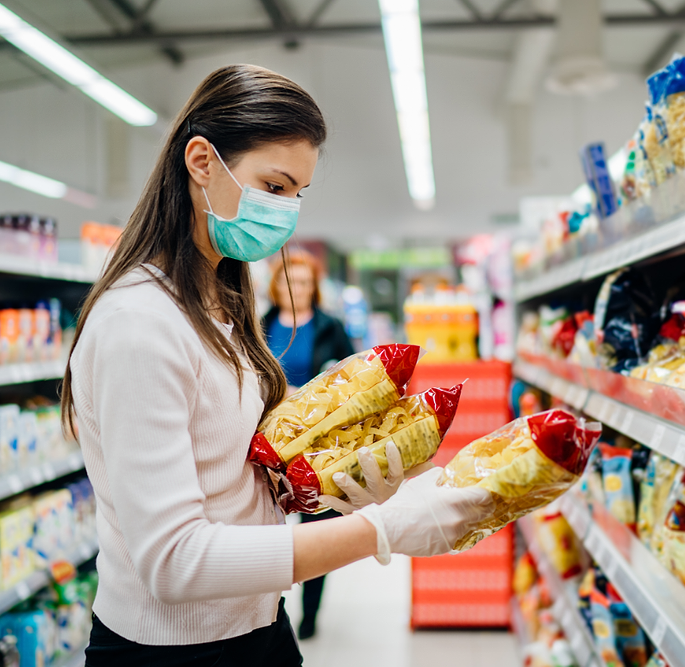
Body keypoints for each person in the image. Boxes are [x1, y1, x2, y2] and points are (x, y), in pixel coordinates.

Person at [62, 64, 493, 667]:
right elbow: (173, 562)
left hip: (258, 627)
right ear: (202, 162)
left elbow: (230, 480)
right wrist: (381, 532)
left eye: (297, 193)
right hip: (174, 653)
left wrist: (334, 493)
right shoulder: (138, 324)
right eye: (275, 185)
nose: (288, 212)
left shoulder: (220, 302)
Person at [262, 251, 353, 640]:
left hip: (318, 444)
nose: (295, 289)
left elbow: (353, 378)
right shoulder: (257, 324)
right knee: (268, 526)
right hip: (268, 443)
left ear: (313, 288)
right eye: (288, 281)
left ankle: (310, 614)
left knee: (316, 527)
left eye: (303, 282)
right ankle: (270, 606)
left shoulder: (331, 327)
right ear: (276, 286)